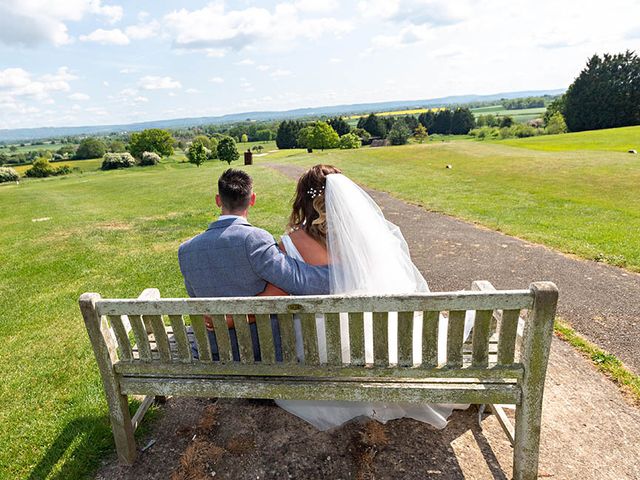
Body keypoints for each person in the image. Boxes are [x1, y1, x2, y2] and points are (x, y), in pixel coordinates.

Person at [265, 164, 474, 430]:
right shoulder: (367, 239)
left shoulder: (291, 242)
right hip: (377, 339)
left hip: (321, 349)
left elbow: (276, 298)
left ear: (303, 200)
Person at [178, 168, 330, 361]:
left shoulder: (186, 250)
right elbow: (298, 281)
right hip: (264, 353)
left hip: (213, 354)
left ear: (218, 200)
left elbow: (196, 298)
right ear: (252, 199)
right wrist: (342, 274)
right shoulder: (256, 239)